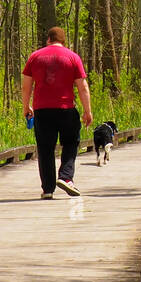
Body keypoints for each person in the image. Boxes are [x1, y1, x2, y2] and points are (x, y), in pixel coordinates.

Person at [21, 26, 91, 199]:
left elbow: (26, 86)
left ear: (48, 39)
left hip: (42, 110)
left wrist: (26, 106)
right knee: (70, 142)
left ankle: (48, 189)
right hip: (66, 109)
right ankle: (66, 177)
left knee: (45, 148)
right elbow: (82, 87)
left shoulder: (34, 57)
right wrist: (87, 111)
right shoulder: (72, 57)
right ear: (63, 40)